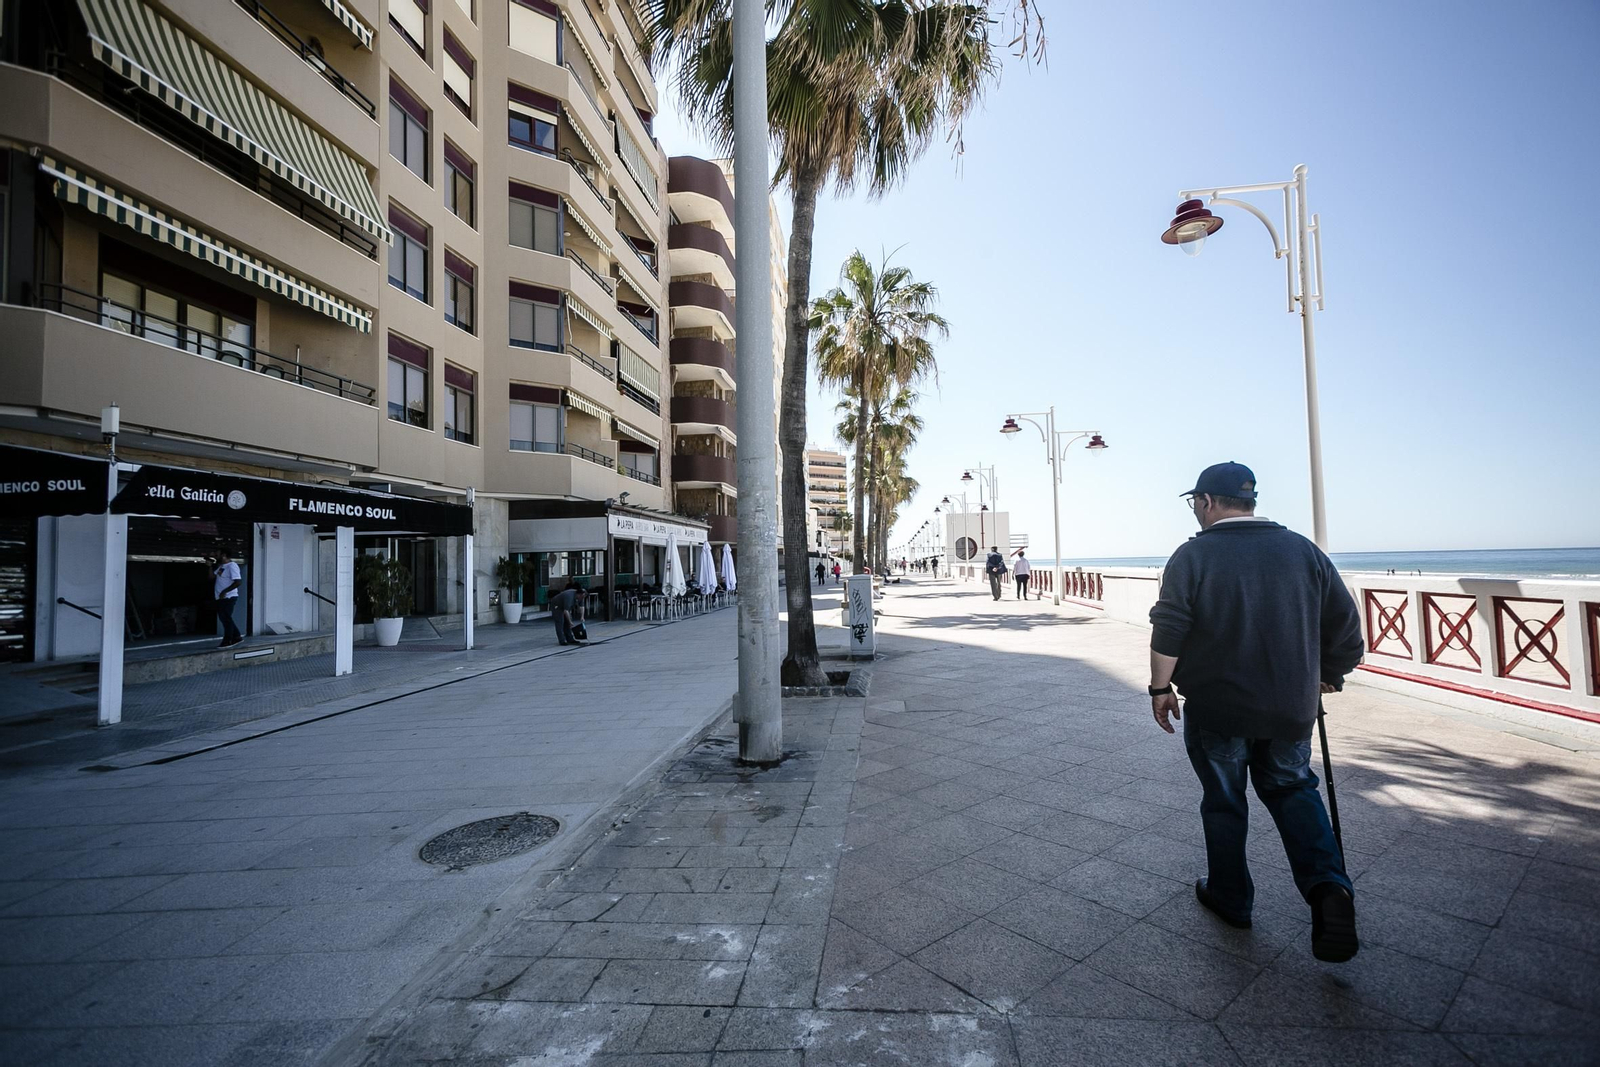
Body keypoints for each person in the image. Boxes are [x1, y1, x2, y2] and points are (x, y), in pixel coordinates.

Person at [1148, 462, 1364, 964]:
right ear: (1250, 501)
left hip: (1219, 707)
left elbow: (1170, 627)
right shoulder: (1303, 550)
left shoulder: (1193, 555)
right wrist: (1330, 671)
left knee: (1225, 800)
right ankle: (1329, 888)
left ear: (1205, 502)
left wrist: (1160, 688)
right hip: (1291, 705)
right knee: (1293, 790)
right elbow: (1346, 629)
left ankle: (1232, 897)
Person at [211, 547, 243, 648]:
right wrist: (209, 566)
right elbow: (211, 577)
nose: (216, 556)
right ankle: (237, 636)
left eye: (217, 554)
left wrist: (224, 591)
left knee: (226, 618)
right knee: (225, 618)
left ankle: (228, 640)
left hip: (229, 597)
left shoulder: (232, 566)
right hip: (221, 598)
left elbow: (238, 582)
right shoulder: (221, 566)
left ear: (224, 555)